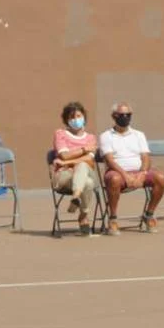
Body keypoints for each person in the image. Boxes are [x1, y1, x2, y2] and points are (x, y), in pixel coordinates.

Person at [98, 102, 164, 235]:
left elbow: (146, 157)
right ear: (114, 116)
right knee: (114, 179)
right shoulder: (106, 136)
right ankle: (113, 219)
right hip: (117, 172)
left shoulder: (138, 135)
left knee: (160, 178)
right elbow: (110, 160)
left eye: (128, 114)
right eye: (121, 115)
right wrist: (126, 176)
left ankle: (149, 215)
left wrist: (142, 174)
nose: (125, 117)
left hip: (139, 171)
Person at [50, 101, 98, 236]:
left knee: (82, 165)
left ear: (84, 117)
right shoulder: (60, 134)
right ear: (66, 120)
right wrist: (84, 149)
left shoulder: (91, 138)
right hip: (65, 176)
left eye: (78, 116)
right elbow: (64, 155)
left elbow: (89, 160)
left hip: (84, 171)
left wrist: (67, 162)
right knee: (88, 183)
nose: (75, 119)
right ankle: (84, 215)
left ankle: (76, 197)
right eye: (71, 117)